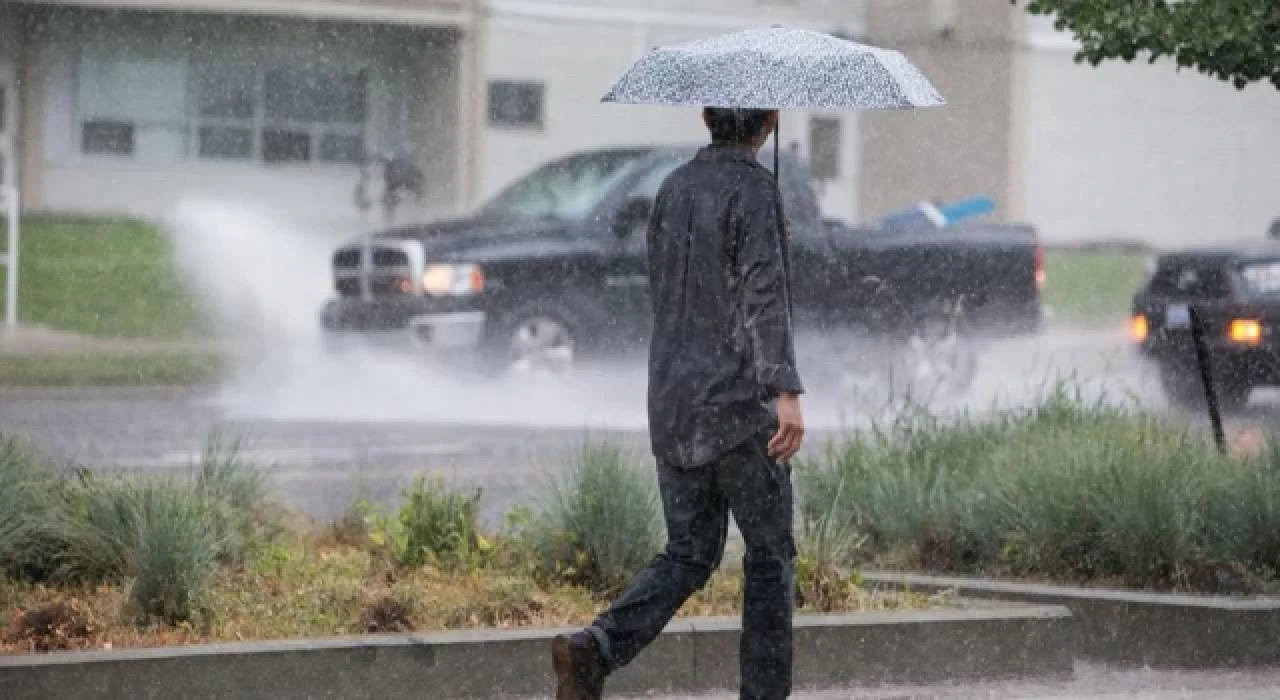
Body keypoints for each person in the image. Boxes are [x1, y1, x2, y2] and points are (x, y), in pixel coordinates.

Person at [550, 106, 806, 700]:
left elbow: (677, 286)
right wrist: (785, 390)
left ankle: (596, 648)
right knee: (769, 556)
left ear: (706, 114)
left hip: (673, 400)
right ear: (770, 120)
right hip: (739, 407)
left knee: (689, 552)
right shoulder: (756, 190)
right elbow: (763, 295)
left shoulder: (672, 187)